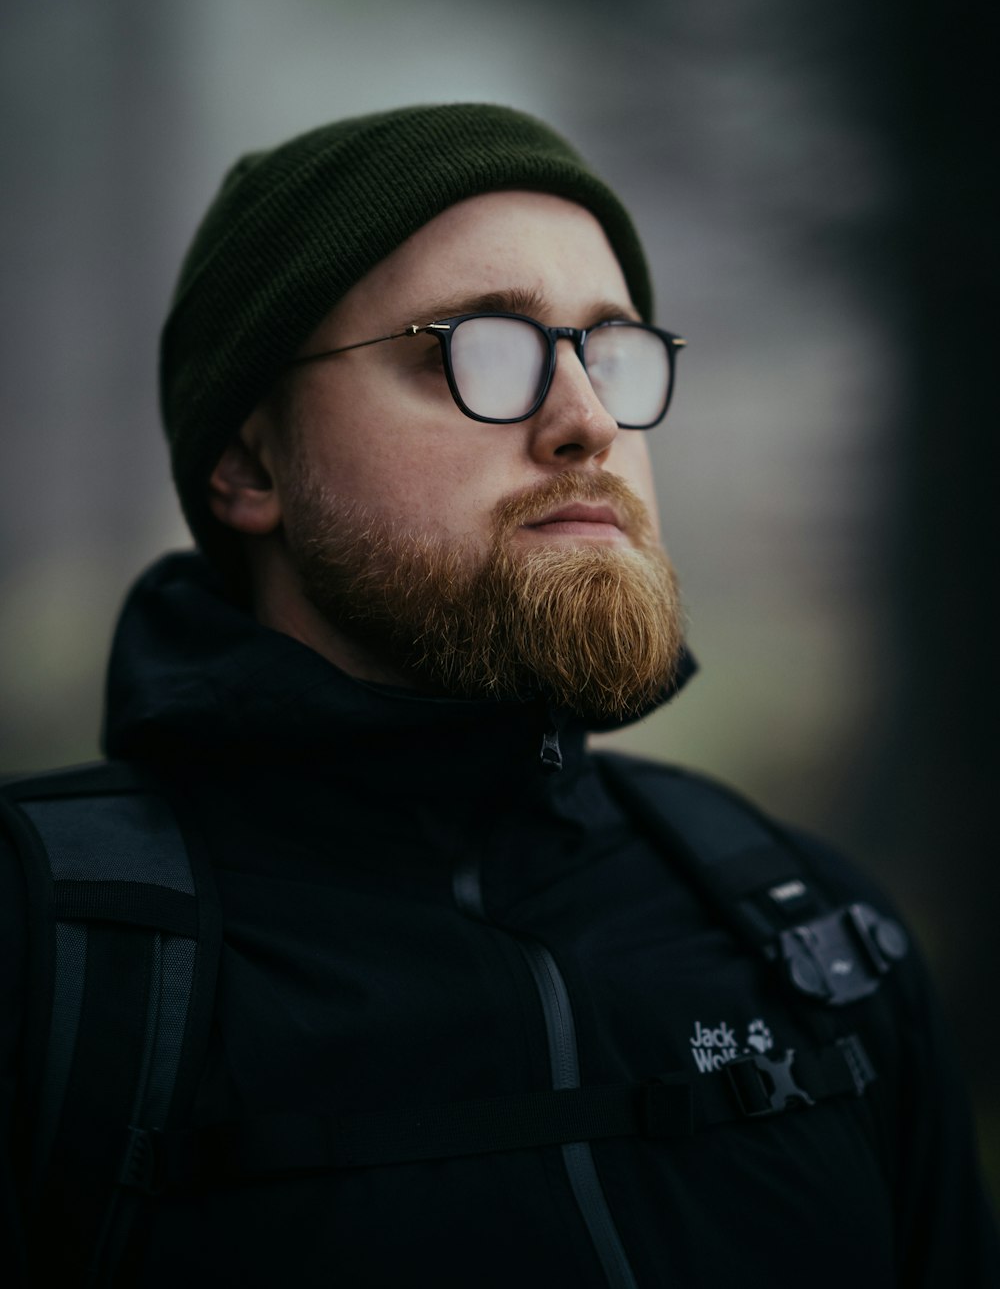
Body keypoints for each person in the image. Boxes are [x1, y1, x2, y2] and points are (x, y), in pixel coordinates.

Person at [1, 103, 997, 1288]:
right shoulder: (43, 954)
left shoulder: (813, 936)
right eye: (481, 348)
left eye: (614, 351)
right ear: (251, 463)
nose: (585, 421)